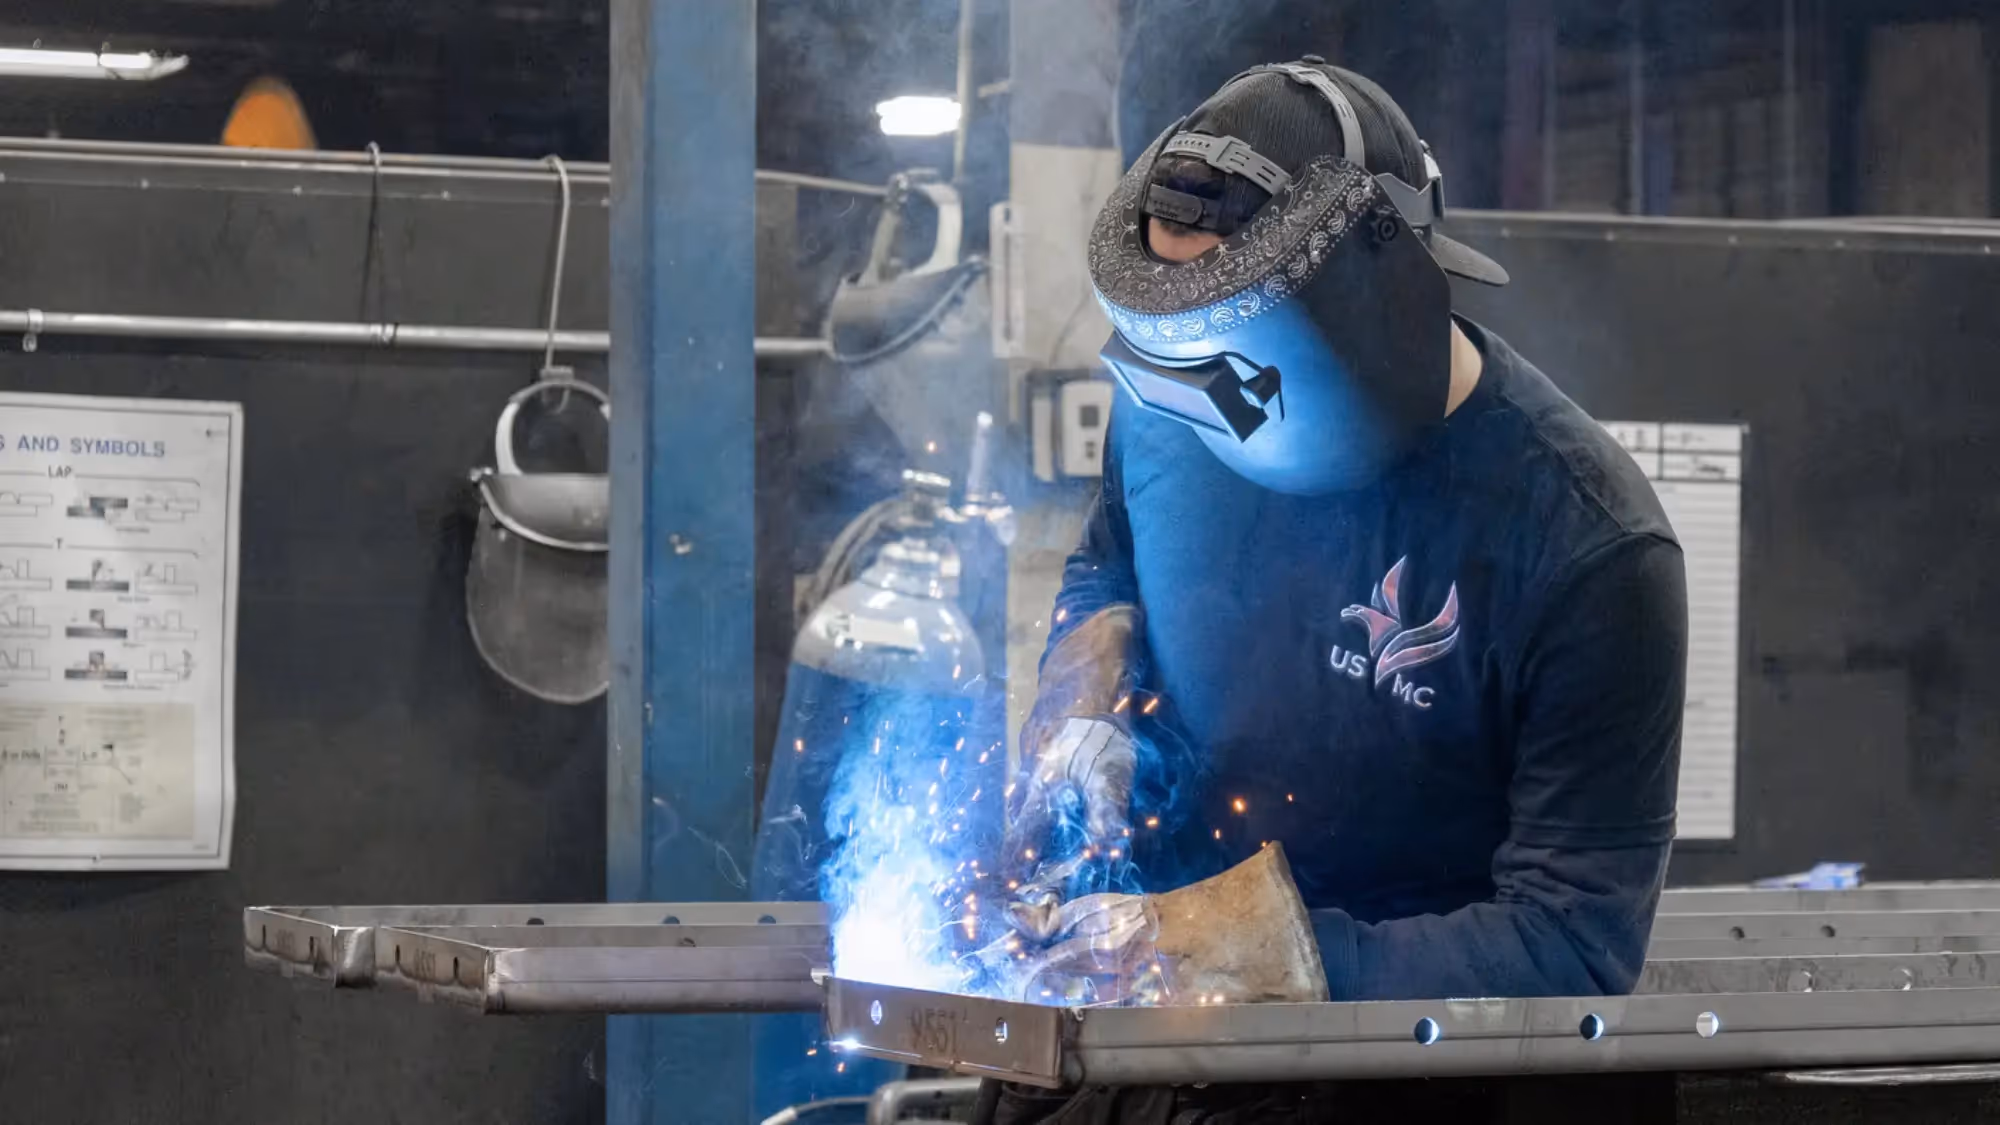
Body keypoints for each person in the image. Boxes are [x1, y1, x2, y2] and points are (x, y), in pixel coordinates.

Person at [982, 58, 1688, 1122]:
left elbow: (1571, 941)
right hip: (1155, 1031)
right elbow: (1106, 563)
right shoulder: (1168, 403)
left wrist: (1248, 952)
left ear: (1371, 295)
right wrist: (1084, 685)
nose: (1197, 399)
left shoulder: (1585, 549)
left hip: (1399, 1074)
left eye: (1231, 343)